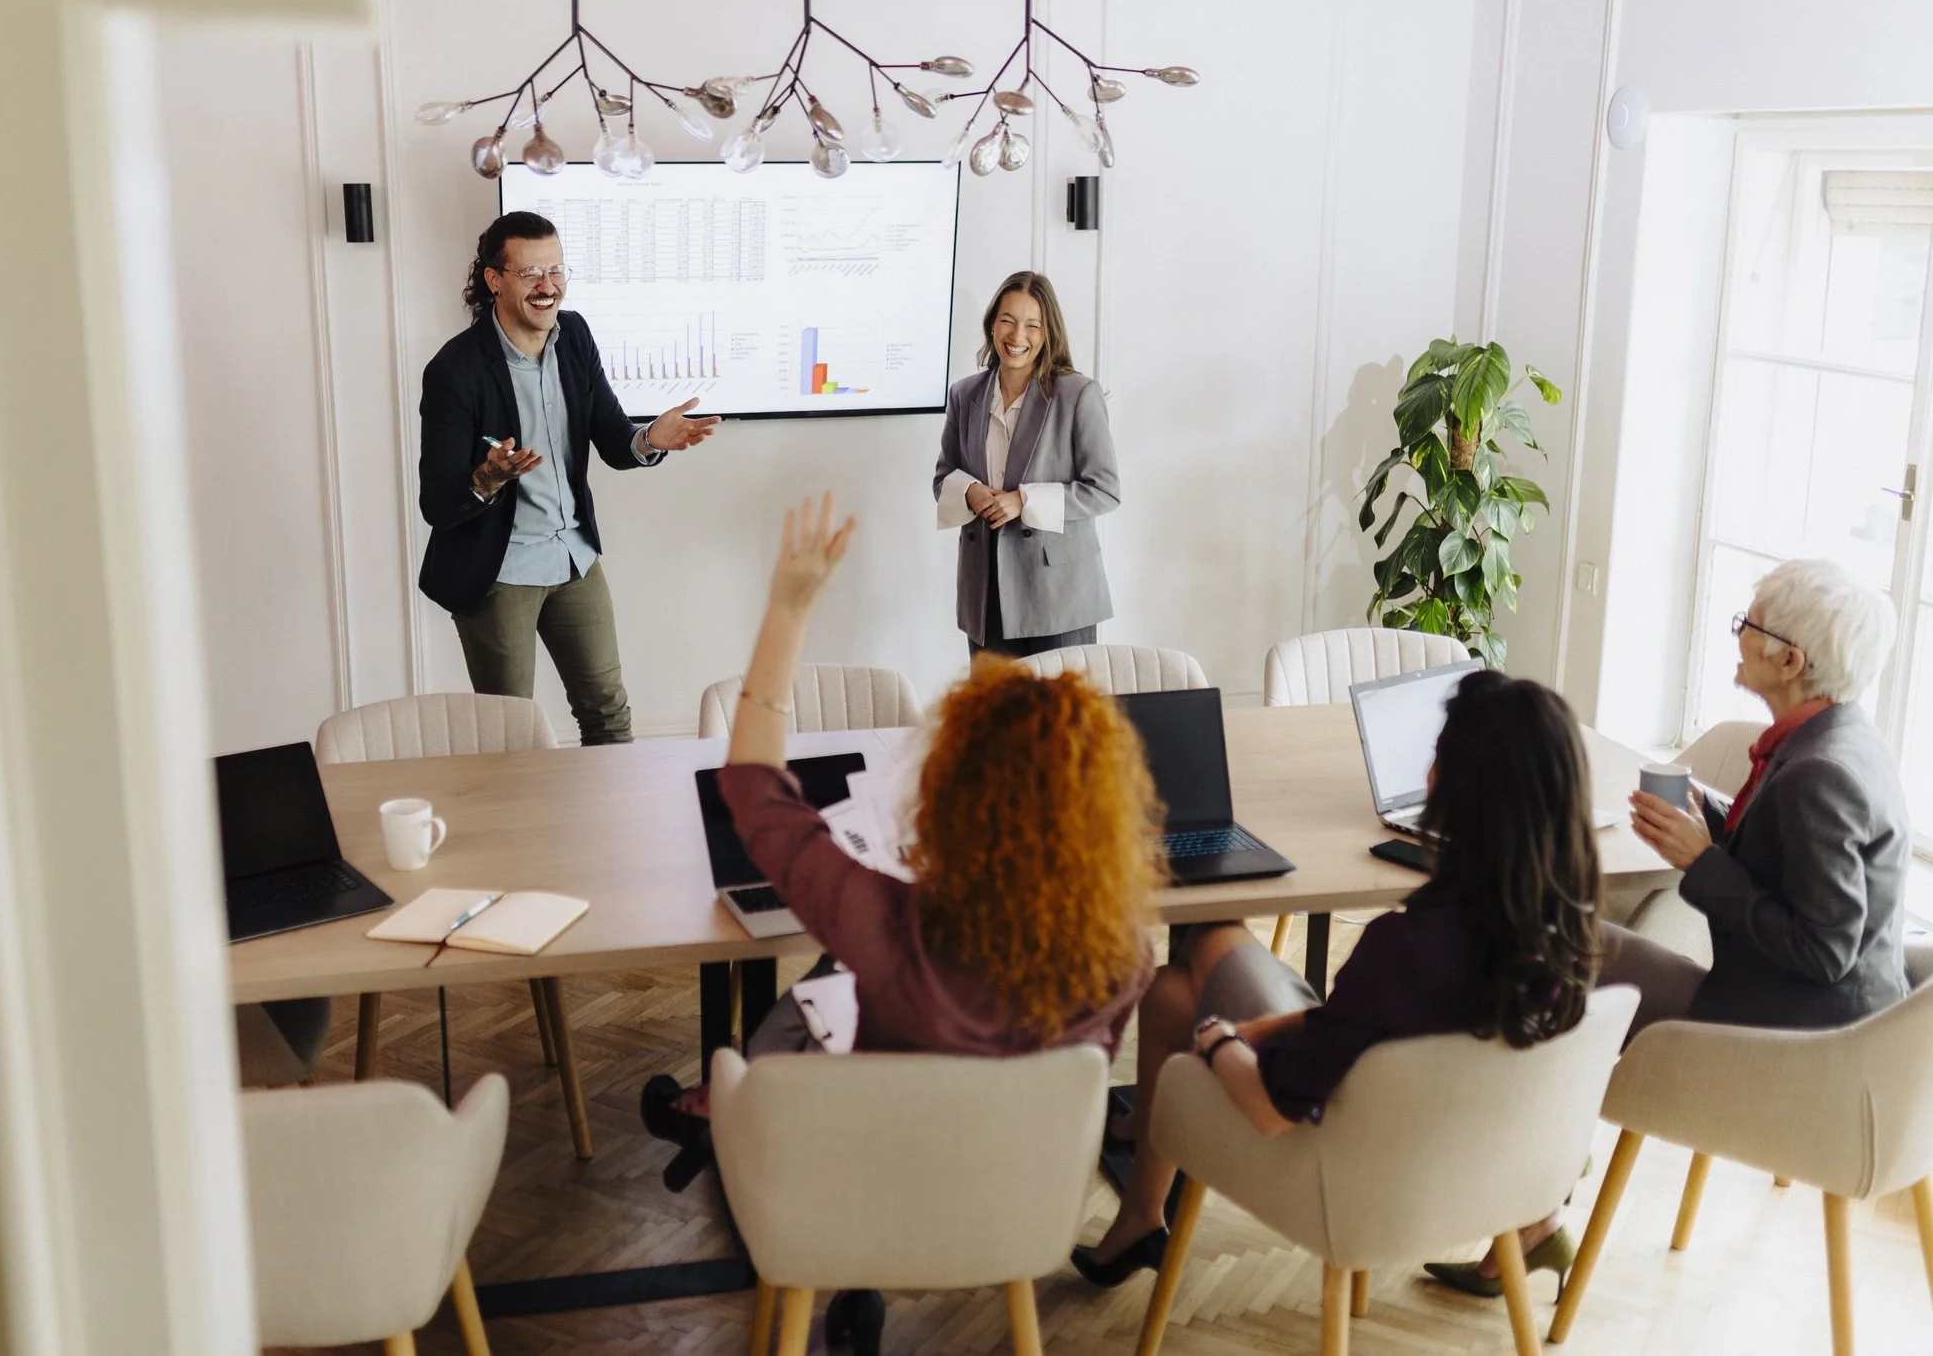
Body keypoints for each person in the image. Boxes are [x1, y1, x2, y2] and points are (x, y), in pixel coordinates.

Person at [643, 493, 1159, 1353]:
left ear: (949, 794)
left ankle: (712, 1114)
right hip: (1013, 1217)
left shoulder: (887, 926)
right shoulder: (1127, 955)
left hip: (849, 1201)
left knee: (792, 1019)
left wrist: (789, 607)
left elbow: (752, 787)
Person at [1428, 559, 1911, 1298]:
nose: (1738, 634)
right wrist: (1714, 825)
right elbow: (1797, 871)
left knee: (1541, 961)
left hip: (1796, 1042)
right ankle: (1535, 1205)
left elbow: (1822, 950)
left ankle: (1533, 1191)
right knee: (1565, 945)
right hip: (1818, 1017)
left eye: (1750, 625)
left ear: (1791, 659)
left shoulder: (1822, 775)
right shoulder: (1835, 740)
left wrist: (1700, 862)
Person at [1078, 672, 1603, 1298]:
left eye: (1438, 754)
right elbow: (1389, 1019)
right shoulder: (1568, 938)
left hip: (1345, 1175)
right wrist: (1267, 1028)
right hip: (1483, 1165)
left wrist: (1219, 1040)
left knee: (1199, 956)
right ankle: (1140, 1211)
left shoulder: (1406, 950)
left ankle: (1142, 1205)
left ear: (1456, 788)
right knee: (1170, 992)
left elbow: (1272, 1113)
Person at [414, 210, 721, 744]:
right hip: (499, 568)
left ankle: (610, 826)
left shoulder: (574, 336)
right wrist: (487, 478)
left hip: (575, 558)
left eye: (557, 271)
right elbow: (438, 503)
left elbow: (612, 437)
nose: (547, 286)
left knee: (607, 713)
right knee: (510, 733)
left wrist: (651, 439)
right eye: (531, 273)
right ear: (494, 281)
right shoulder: (455, 370)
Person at [933, 270, 1121, 658]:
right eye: (1007, 321)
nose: (1017, 336)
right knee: (995, 717)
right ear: (991, 325)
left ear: (1047, 332)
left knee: (1060, 717)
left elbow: (1104, 490)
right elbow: (943, 476)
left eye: (1032, 325)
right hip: (987, 591)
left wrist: (1024, 500)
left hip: (1059, 595)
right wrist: (969, 491)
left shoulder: (1077, 394)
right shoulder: (964, 394)